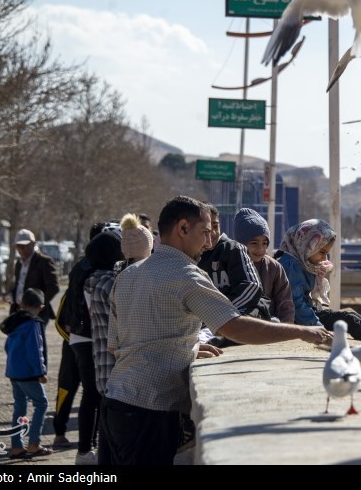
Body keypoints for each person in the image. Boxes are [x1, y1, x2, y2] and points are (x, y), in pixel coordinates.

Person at [101, 195, 331, 465]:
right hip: (151, 410)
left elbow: (117, 345)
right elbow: (235, 327)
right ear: (183, 228)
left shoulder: (128, 275)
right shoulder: (187, 274)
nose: (209, 242)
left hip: (114, 403)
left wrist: (188, 347)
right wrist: (300, 332)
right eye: (205, 232)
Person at [275, 219, 361, 342]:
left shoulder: (301, 261)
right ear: (308, 245)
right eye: (321, 252)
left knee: (352, 317)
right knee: (349, 319)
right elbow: (295, 304)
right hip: (299, 318)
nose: (324, 258)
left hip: (306, 313)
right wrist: (318, 327)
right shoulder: (291, 266)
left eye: (326, 253)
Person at [68, 224, 122, 466]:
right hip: (94, 338)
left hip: (79, 336)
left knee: (92, 395)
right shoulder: (106, 280)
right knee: (94, 396)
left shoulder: (82, 270)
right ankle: (86, 450)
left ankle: (88, 449)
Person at [51, 221, 107, 450]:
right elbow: (68, 309)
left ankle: (64, 434)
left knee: (81, 390)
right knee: (80, 390)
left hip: (76, 338)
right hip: (81, 340)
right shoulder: (89, 270)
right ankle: (67, 436)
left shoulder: (82, 267)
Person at [0, 288, 52, 458]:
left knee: (19, 407)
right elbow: (35, 351)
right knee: (41, 403)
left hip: (14, 372)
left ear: (22, 304)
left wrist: (12, 368)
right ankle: (34, 443)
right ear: (41, 307)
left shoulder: (14, 322)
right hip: (28, 374)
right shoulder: (34, 323)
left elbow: (7, 347)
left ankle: (16, 446)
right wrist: (40, 372)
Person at [197, 204, 269, 320]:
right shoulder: (191, 255)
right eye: (207, 229)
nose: (213, 233)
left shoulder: (232, 249)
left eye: (215, 226)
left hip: (240, 316)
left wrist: (220, 314)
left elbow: (252, 287)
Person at [233, 207, 294, 323]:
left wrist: (287, 330)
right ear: (240, 243)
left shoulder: (274, 268)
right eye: (254, 243)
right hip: (239, 326)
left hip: (269, 326)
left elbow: (285, 304)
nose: (260, 249)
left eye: (264, 243)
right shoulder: (229, 265)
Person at [9, 229, 60, 323]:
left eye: (24, 246)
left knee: (36, 337)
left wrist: (36, 305)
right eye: (18, 246)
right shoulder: (19, 264)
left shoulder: (44, 261)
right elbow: (19, 284)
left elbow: (53, 288)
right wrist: (12, 295)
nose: (21, 249)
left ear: (33, 244)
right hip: (18, 311)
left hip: (37, 313)